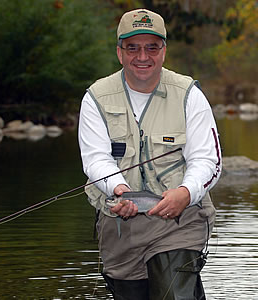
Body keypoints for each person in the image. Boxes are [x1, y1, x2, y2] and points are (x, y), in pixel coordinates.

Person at [78, 8, 221, 300]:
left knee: (174, 294)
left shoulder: (189, 94)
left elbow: (208, 160)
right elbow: (95, 159)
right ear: (120, 52)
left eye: (151, 47)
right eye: (133, 48)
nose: (143, 57)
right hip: (119, 227)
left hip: (180, 220)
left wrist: (185, 192)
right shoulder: (96, 97)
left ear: (163, 51)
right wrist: (119, 190)